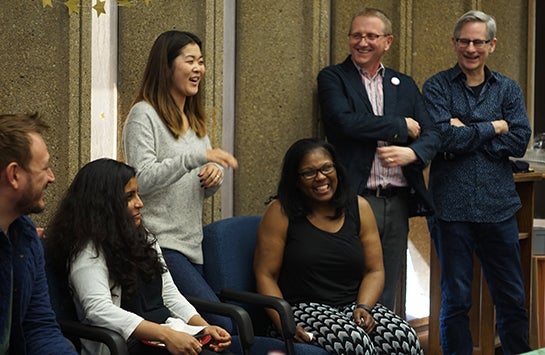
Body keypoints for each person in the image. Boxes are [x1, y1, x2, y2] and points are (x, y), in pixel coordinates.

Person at [422, 10, 531, 354]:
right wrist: (495, 127)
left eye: (478, 42)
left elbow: (519, 140)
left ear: (492, 45)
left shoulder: (508, 88)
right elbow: (442, 139)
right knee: (456, 300)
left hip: (499, 208)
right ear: (454, 43)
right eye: (464, 41)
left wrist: (466, 130)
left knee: (512, 297)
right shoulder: (437, 86)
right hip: (451, 210)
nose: (471, 48)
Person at [317, 8, 441, 310]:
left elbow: (433, 133)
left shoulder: (404, 84)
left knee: (387, 287)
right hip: (356, 199)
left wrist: (412, 152)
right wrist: (400, 126)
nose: (362, 42)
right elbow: (344, 122)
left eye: (371, 36)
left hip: (397, 202)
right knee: (351, 283)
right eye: (356, 35)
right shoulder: (334, 77)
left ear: (387, 41)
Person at [44, 158, 232, 355]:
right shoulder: (87, 251)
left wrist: (203, 328)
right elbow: (99, 310)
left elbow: (168, 294)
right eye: (129, 197)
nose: (140, 203)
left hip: (162, 336)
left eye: (137, 194)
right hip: (127, 346)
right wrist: (165, 335)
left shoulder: (143, 237)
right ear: (103, 204)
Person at [254, 138, 423, 355]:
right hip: (301, 309)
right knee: (354, 341)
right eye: (309, 172)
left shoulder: (360, 207)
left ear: (337, 170)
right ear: (295, 180)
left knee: (403, 337)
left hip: (353, 305)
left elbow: (375, 270)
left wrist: (364, 306)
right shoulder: (280, 212)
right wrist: (284, 323)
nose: (320, 177)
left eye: (326, 168)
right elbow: (265, 275)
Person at [122, 30, 238, 330]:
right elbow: (141, 180)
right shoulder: (143, 114)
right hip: (161, 246)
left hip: (192, 246)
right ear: (166, 66)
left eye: (201, 61)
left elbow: (191, 183)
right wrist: (196, 159)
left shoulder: (194, 120)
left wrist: (213, 179)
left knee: (211, 332)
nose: (199, 68)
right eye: (190, 61)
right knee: (223, 326)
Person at [0, 113, 77, 354]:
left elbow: (39, 328)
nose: (52, 177)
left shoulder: (26, 237)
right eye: (44, 168)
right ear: (14, 175)